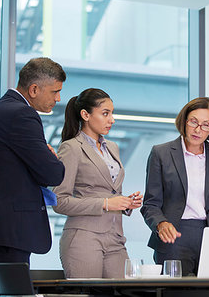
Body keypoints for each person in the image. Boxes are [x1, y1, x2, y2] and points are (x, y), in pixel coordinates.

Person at [0, 57, 66, 297]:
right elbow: (52, 173)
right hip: (6, 233)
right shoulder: (22, 115)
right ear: (34, 89)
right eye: (55, 91)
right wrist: (51, 157)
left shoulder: (2, 109)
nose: (58, 98)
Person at [52, 88, 143, 278]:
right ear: (85, 115)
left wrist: (125, 202)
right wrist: (106, 203)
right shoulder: (71, 148)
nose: (112, 119)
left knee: (126, 291)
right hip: (84, 237)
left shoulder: (112, 147)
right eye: (105, 113)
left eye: (112, 113)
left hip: (115, 237)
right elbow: (59, 201)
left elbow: (107, 190)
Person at [141, 97, 209, 276]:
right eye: (194, 122)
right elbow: (150, 204)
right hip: (173, 237)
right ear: (184, 121)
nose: (198, 129)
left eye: (206, 125)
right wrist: (160, 223)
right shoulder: (161, 153)